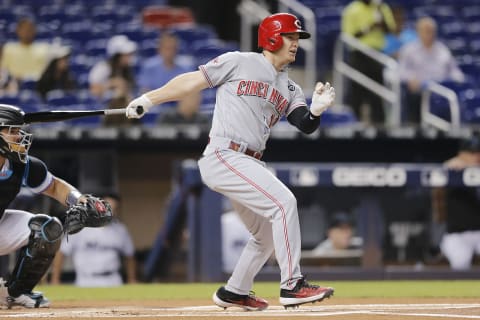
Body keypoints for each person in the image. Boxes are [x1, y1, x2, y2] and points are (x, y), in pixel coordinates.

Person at [125, 13, 336, 310]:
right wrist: (149, 99)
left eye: (297, 38)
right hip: (225, 154)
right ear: (272, 37)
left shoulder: (291, 88)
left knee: (264, 236)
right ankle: (292, 284)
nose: (295, 44)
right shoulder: (240, 61)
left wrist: (316, 111)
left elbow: (305, 124)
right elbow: (192, 82)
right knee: (283, 203)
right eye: (290, 37)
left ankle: (234, 291)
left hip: (249, 163)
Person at [0, 104, 112, 308]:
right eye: (12, 131)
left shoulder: (20, 165)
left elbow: (54, 186)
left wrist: (79, 200)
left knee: (47, 229)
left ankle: (15, 293)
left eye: (18, 131)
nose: (18, 137)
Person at [50, 193, 136, 287]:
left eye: (114, 209)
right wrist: (55, 279)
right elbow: (61, 252)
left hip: (113, 279)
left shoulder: (120, 229)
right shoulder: (80, 226)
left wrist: (131, 279)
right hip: (85, 280)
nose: (110, 212)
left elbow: (129, 255)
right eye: (108, 208)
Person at [398, 17, 465, 124]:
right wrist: (410, 78)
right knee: (413, 96)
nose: (429, 34)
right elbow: (401, 72)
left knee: (455, 96)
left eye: (431, 31)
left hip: (441, 90)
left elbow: (454, 71)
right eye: (426, 31)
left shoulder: (443, 50)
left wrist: (457, 79)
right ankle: (417, 129)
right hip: (420, 91)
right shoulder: (409, 50)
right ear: (418, 32)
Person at [341, 0, 396, 125]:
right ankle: (354, 124)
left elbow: (390, 30)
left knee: (377, 94)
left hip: (377, 55)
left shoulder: (382, 7)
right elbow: (348, 36)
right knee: (357, 93)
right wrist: (369, 28)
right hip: (359, 55)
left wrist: (381, 21)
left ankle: (380, 126)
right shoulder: (351, 9)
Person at [431, 135, 480, 270]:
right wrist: (448, 168)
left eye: (477, 152)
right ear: (461, 154)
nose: (475, 156)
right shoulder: (453, 169)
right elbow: (435, 188)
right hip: (457, 234)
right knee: (460, 262)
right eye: (471, 153)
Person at [88, 35, 137, 102]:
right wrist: (111, 83)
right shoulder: (102, 68)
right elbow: (94, 92)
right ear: (116, 56)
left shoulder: (126, 70)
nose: (129, 58)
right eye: (125, 55)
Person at [0, 18, 50, 82]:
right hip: (13, 85)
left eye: (29, 29)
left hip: (38, 85)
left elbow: (47, 73)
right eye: (24, 29)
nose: (27, 32)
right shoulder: (8, 48)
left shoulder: (44, 48)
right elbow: (3, 71)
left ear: (34, 31)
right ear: (18, 31)